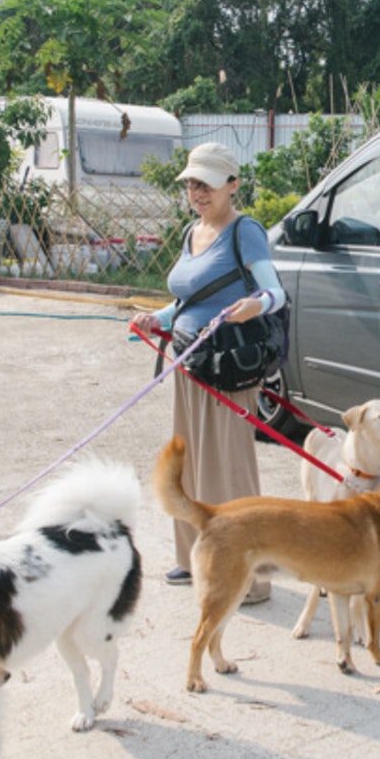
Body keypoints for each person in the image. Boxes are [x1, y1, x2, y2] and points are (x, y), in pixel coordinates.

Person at [141, 142, 287, 604]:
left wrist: (253, 307)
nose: (197, 191)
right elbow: (188, 299)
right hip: (189, 362)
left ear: (233, 184)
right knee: (191, 467)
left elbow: (275, 293)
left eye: (206, 183)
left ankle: (248, 578)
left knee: (228, 470)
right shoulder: (192, 232)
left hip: (226, 368)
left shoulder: (245, 231)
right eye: (191, 183)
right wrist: (158, 319)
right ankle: (194, 560)